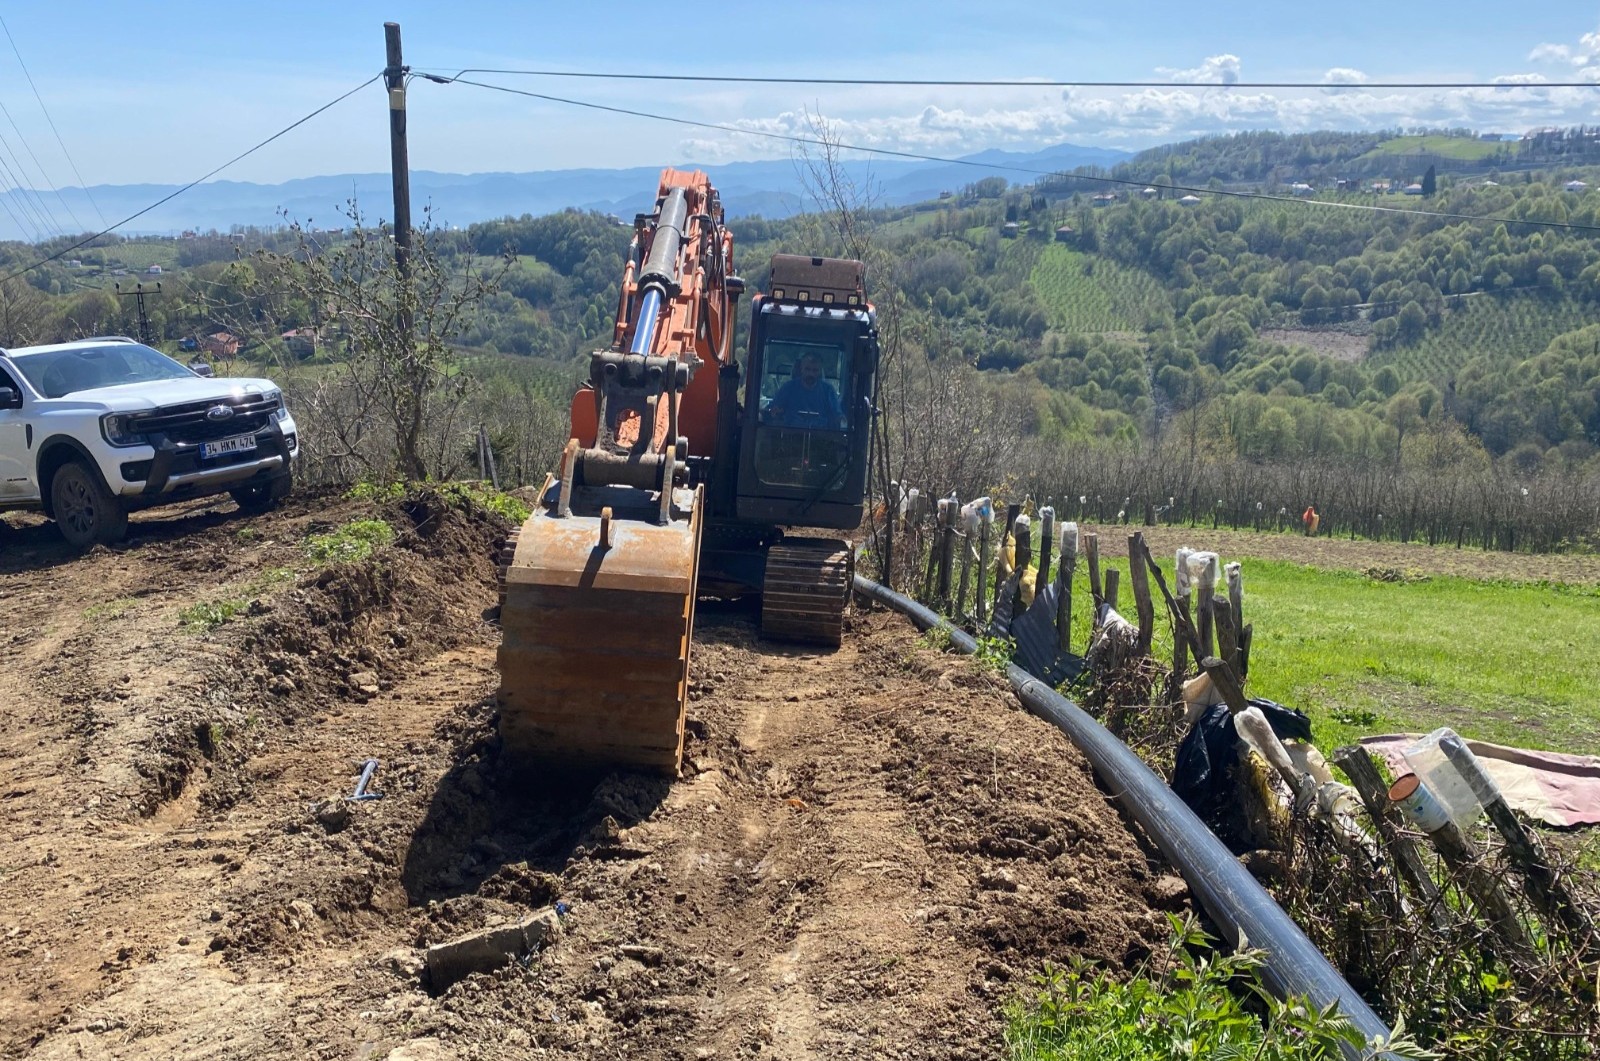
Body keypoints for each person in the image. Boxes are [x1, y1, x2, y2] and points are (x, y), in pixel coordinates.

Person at [767, 351, 843, 428]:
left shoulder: (828, 391)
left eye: (815, 370)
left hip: (821, 433)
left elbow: (837, 416)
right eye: (807, 369)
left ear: (820, 371)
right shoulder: (788, 387)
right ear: (801, 369)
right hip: (791, 432)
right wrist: (775, 411)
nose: (811, 374)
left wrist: (841, 420)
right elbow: (773, 409)